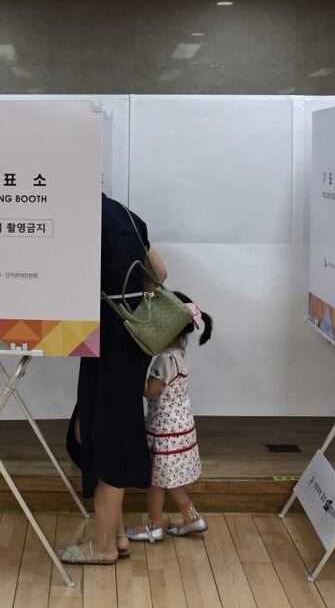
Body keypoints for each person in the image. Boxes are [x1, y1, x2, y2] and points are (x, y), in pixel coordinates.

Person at [59, 193, 168, 565]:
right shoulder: (125, 213)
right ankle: (117, 536)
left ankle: (103, 546)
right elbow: (160, 275)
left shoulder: (84, 217)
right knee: (89, 430)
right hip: (129, 339)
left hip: (107, 339)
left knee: (105, 436)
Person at [126, 291, 212, 544]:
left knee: (158, 480)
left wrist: (130, 373)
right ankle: (192, 518)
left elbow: (148, 391)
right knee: (168, 478)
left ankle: (154, 526)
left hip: (165, 429)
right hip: (180, 425)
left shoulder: (164, 359)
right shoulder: (182, 355)